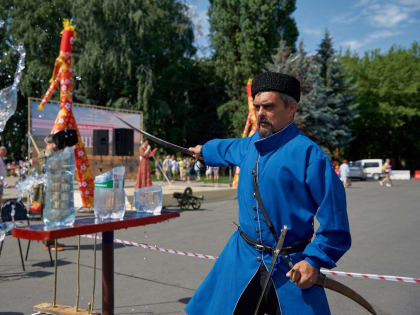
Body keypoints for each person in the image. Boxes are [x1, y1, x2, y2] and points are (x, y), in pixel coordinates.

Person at [187, 72, 351, 315]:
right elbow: (225, 147)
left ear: (291, 108)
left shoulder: (310, 156)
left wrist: (314, 261)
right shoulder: (250, 144)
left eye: (269, 106)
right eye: (257, 107)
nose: (260, 113)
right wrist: (204, 150)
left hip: (289, 266)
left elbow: (336, 223)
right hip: (243, 256)